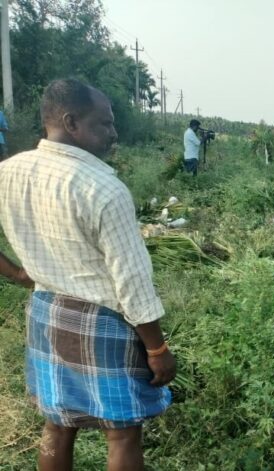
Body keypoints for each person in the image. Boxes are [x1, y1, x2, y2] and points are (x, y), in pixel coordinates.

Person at [0, 78, 175, 471]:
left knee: (57, 423)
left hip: (46, 312)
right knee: (122, 432)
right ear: (71, 122)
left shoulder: (8, 171)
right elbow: (132, 282)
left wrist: (18, 274)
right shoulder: (104, 190)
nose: (114, 133)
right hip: (102, 321)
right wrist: (157, 349)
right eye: (104, 123)